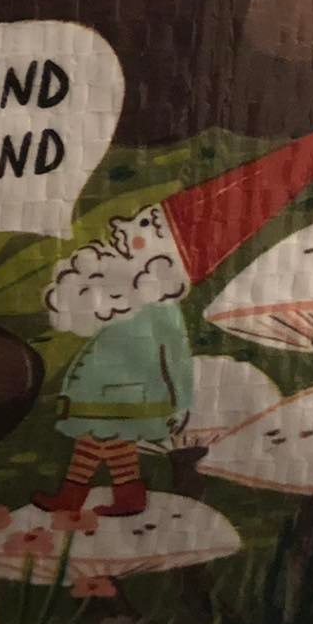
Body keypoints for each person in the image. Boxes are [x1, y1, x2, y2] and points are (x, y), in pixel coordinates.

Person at [35, 207, 194, 518]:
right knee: (98, 443)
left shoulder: (160, 306)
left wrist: (181, 400)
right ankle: (111, 496)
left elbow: (176, 354)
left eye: (133, 236)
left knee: (100, 441)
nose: (122, 239)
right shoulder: (125, 294)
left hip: (126, 393)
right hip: (102, 391)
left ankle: (89, 497)